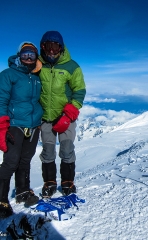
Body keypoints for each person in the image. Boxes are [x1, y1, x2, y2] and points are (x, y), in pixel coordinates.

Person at [38, 31, 86, 198]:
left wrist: (69, 114)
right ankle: (49, 182)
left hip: (66, 116)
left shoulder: (72, 66)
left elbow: (79, 91)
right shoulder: (38, 65)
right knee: (48, 151)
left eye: (55, 46)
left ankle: (67, 181)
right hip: (45, 117)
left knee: (66, 149)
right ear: (42, 47)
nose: (51, 51)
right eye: (48, 46)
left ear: (61, 47)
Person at [0, 42, 43, 218]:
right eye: (24, 54)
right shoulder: (8, 74)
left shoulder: (36, 77)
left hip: (33, 125)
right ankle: (1, 198)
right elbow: (1, 99)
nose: (28, 58)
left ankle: (22, 191)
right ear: (19, 56)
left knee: (25, 160)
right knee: (11, 161)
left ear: (36, 58)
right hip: (15, 124)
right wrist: (2, 125)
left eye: (31, 55)